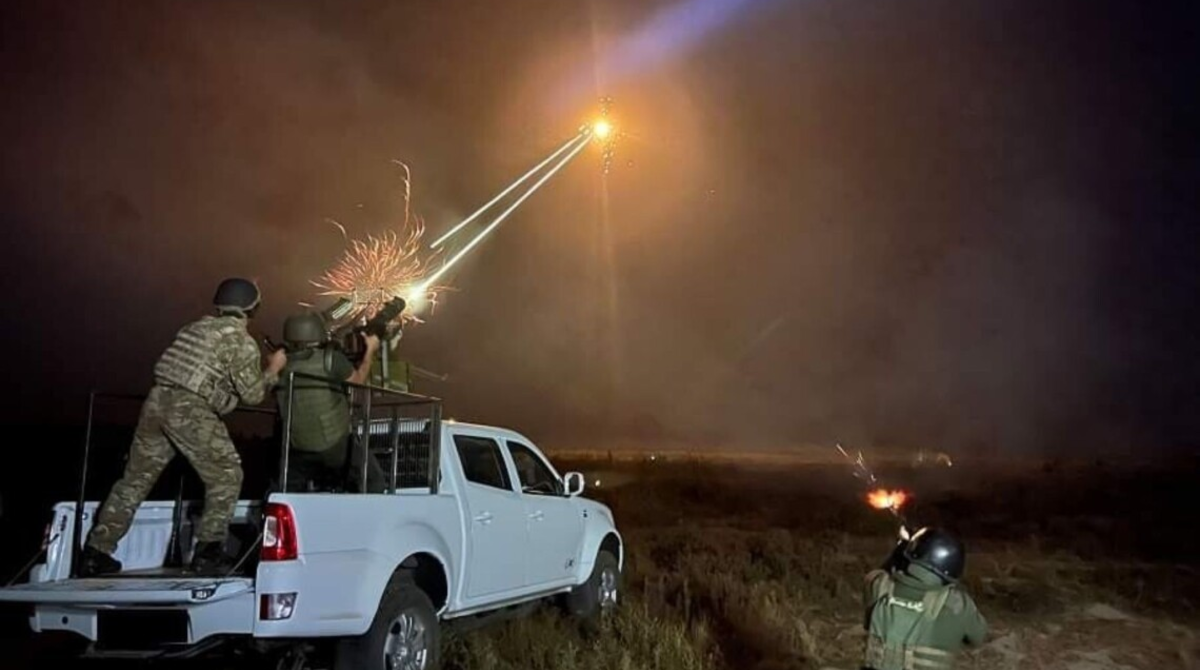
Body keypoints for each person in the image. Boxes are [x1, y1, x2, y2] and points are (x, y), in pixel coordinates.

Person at [78, 278, 288, 577]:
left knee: (134, 480)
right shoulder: (241, 341)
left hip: (156, 402)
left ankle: (95, 552)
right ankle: (208, 553)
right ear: (252, 308)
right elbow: (253, 394)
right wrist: (273, 369)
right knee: (227, 474)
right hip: (189, 409)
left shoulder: (193, 328)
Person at [274, 311, 387, 493]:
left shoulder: (279, 365)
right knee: (373, 480)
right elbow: (358, 381)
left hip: (297, 446)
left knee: (286, 489)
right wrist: (370, 351)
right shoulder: (331, 359)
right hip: (334, 445)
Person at [861, 526, 988, 670]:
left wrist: (900, 550)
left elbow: (879, 573)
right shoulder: (957, 604)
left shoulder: (879, 587)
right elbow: (978, 637)